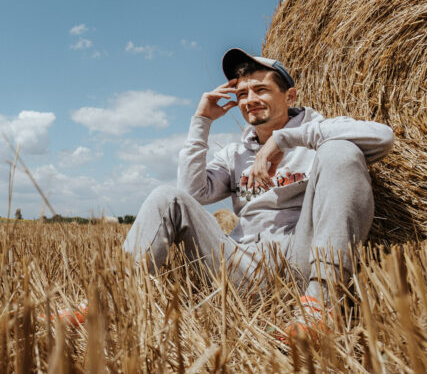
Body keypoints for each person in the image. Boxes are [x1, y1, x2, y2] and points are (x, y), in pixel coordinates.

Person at [122, 48, 394, 337]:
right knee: (166, 196)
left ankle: (321, 306)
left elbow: (384, 137)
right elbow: (193, 193)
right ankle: (118, 300)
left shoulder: (319, 130)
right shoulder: (234, 154)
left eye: (261, 90)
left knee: (341, 150)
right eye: (242, 94)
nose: (249, 100)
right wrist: (202, 121)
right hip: (241, 265)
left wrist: (283, 140)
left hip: (303, 258)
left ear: (290, 97)